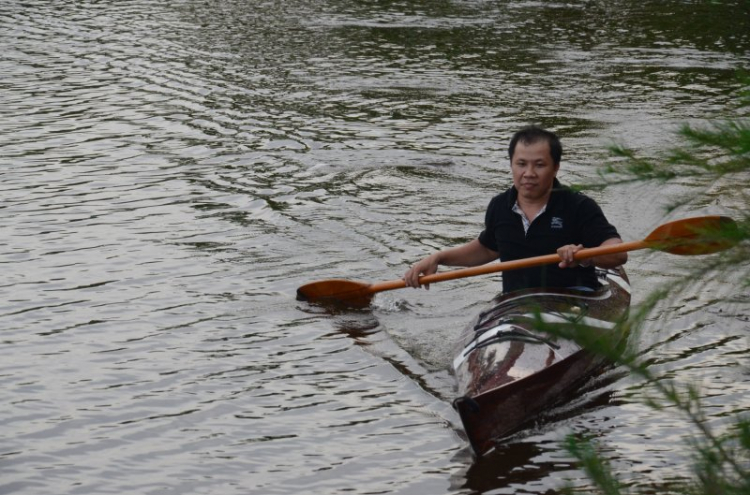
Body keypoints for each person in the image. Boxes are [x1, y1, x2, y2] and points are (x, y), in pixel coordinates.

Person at [403, 125, 627, 293]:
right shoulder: (500, 206)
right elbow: (488, 248)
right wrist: (438, 258)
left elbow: (618, 252)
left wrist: (585, 256)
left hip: (575, 300)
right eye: (521, 164)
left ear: (556, 168)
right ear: (511, 164)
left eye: (539, 165)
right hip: (517, 304)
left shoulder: (578, 205)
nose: (529, 173)